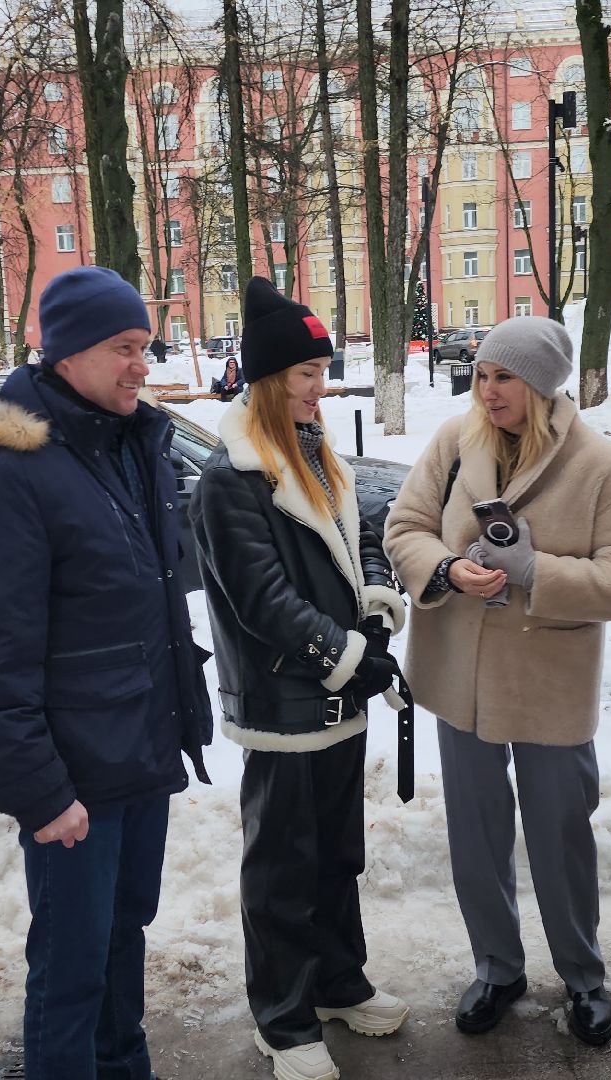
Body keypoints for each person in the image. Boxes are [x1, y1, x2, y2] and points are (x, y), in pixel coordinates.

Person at [0, 265, 213, 1080]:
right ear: (67, 354)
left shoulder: (136, 445)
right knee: (70, 966)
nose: (143, 363)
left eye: (145, 346)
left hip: (139, 747)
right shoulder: (10, 467)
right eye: (125, 348)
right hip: (72, 777)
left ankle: (125, 1068)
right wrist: (41, 791)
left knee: (123, 935)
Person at [383, 317, 611, 1051]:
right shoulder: (453, 443)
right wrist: (444, 570)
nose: (487, 390)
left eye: (503, 377)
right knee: (475, 834)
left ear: (539, 385)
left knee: (559, 832)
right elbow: (404, 525)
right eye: (481, 375)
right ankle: (498, 968)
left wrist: (536, 572)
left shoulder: (599, 465)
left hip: (548, 681)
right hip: (458, 676)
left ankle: (583, 977)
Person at [192, 278, 411, 1080]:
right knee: (282, 867)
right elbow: (263, 602)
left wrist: (380, 612)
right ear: (268, 379)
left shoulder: (318, 454)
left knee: (336, 855)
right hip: (285, 700)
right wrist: (348, 658)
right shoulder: (232, 479)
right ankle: (282, 1019)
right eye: (309, 374)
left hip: (337, 699)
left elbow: (364, 546)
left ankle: (337, 983)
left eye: (325, 371)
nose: (324, 388)